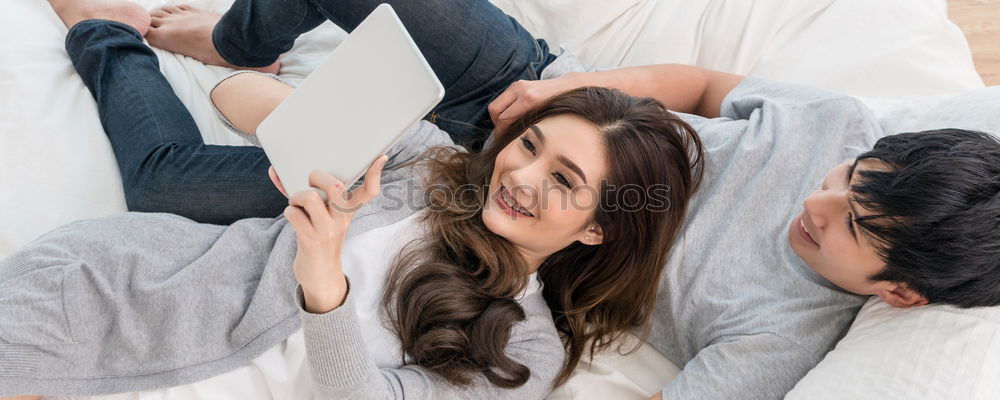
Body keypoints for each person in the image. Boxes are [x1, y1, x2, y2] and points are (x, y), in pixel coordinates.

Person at [142, 1, 1000, 398]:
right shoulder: (840, 124)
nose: (822, 198)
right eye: (848, 179)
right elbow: (698, 83)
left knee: (174, 181)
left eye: (852, 221)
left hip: (496, 220)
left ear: (900, 293)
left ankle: (111, 47)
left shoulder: (781, 336)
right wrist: (579, 90)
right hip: (546, 105)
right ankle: (227, 41)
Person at [0, 0, 705, 398]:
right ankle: (106, 32)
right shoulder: (427, 162)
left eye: (564, 182)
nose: (522, 177)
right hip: (114, 304)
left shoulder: (526, 349)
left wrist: (324, 280)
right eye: (528, 145)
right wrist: (315, 138)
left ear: (597, 231)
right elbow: (228, 93)